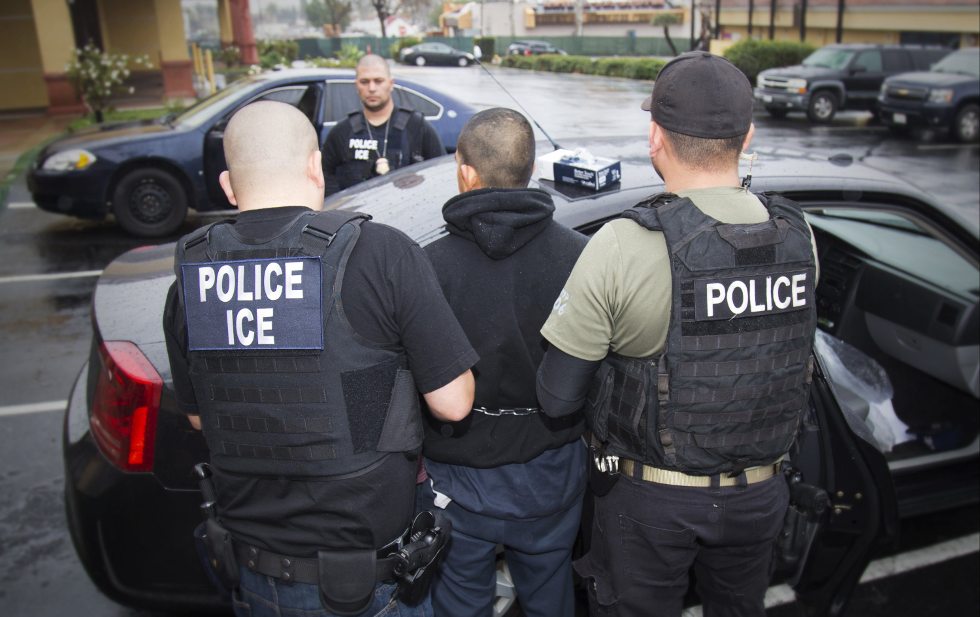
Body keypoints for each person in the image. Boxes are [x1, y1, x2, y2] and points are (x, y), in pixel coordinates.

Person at [163, 100, 478, 617]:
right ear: (316, 167)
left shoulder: (192, 280)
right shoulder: (379, 253)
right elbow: (454, 403)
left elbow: (201, 417)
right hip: (365, 585)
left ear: (228, 186)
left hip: (254, 575)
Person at [535, 52, 820, 617]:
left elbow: (557, 396)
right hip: (762, 493)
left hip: (652, 503)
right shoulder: (799, 235)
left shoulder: (623, 243)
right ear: (748, 137)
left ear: (655, 138)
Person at [418, 108, 589, 617]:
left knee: (459, 602)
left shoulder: (427, 267)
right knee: (550, 595)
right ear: (529, 169)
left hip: (457, 479)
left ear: (466, 171)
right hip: (552, 473)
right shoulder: (583, 257)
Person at [322, 54, 445, 195]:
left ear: (391, 84)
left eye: (378, 81)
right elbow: (324, 177)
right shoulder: (342, 132)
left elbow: (440, 173)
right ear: (356, 85)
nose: (372, 88)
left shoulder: (416, 127)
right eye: (364, 82)